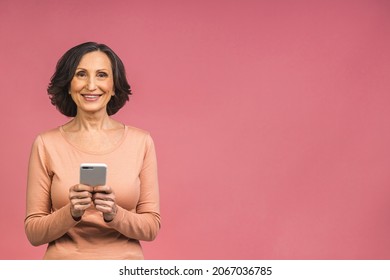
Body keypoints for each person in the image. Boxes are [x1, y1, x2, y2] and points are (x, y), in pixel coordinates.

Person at [24, 42, 161, 259]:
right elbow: (33, 233)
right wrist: (71, 212)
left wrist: (114, 214)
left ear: (114, 86)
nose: (91, 85)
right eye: (81, 74)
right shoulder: (46, 144)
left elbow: (151, 227)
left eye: (101, 75)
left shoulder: (141, 142)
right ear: (68, 85)